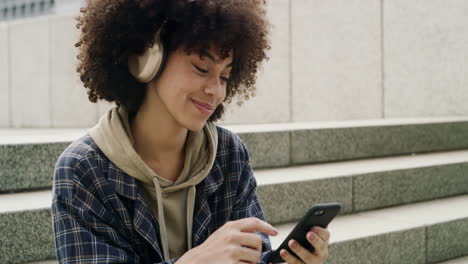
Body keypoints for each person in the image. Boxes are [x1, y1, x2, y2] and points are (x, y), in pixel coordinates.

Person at [51, 0, 330, 263]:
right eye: (201, 67)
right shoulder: (83, 170)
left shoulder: (227, 154)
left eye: (224, 76)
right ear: (148, 57)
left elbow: (252, 256)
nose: (216, 91)